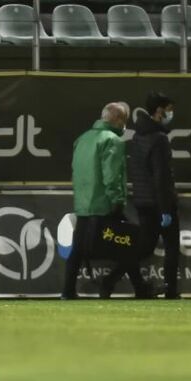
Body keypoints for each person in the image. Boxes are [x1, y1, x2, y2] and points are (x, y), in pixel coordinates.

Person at [62, 102, 150, 300]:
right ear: (118, 120)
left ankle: (67, 291)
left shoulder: (82, 139)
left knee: (77, 250)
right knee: (130, 244)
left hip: (83, 204)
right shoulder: (112, 140)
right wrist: (117, 201)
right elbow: (112, 176)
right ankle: (128, 286)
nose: (125, 125)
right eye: (124, 120)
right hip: (104, 205)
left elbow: (75, 171)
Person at [128, 91, 179, 299]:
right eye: (169, 110)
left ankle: (112, 278)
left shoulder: (138, 135)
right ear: (159, 111)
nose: (171, 114)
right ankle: (170, 290)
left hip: (143, 201)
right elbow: (161, 177)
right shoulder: (159, 139)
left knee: (145, 248)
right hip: (160, 203)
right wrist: (166, 209)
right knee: (172, 247)